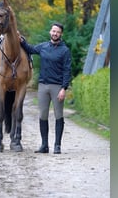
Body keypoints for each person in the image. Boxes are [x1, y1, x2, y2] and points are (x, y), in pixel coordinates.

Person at [20, 22, 72, 154]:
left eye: (58, 32)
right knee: (43, 115)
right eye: (53, 31)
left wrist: (63, 88)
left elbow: (67, 70)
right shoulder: (43, 46)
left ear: (61, 34)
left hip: (57, 87)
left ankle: (57, 145)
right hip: (43, 86)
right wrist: (21, 40)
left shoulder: (65, 51)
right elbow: (30, 49)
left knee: (58, 115)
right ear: (50, 32)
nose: (55, 33)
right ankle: (44, 145)